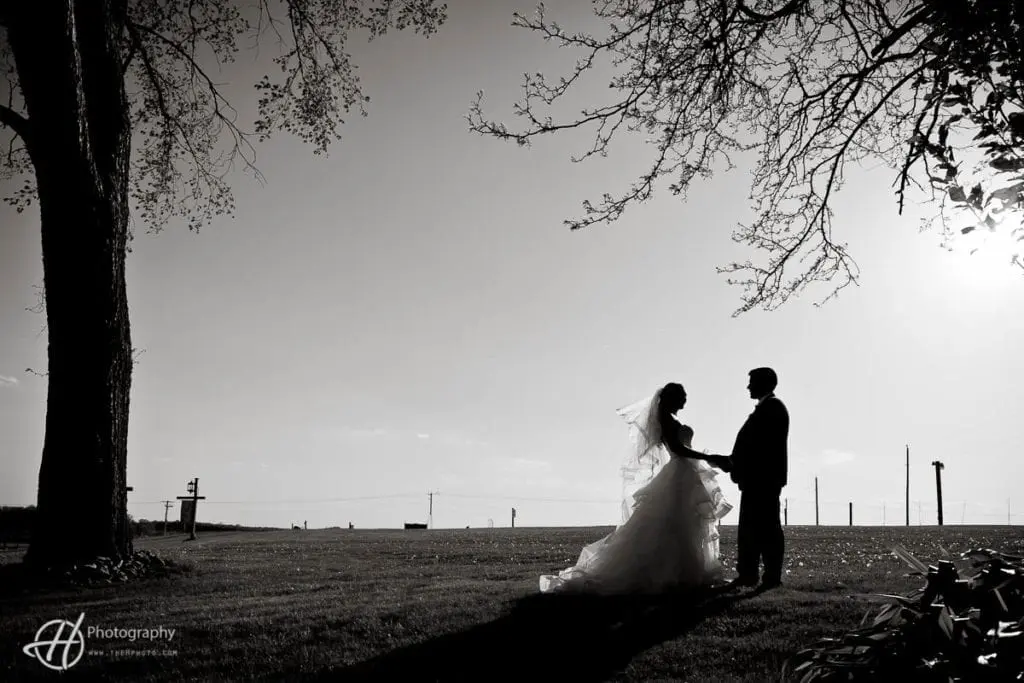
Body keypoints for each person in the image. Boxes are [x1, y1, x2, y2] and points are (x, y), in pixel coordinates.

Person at [539, 383, 733, 595]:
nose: (685, 400)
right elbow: (678, 449)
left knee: (686, 524)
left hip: (686, 472)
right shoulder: (666, 420)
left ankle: (686, 573)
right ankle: (676, 575)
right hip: (679, 473)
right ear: (672, 398)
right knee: (676, 524)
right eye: (682, 396)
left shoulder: (671, 419)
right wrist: (709, 457)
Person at [724, 367, 789, 591]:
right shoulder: (768, 408)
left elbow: (759, 448)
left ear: (763, 383)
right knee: (752, 529)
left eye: (751, 382)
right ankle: (749, 574)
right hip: (757, 480)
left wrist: (735, 463)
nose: (748, 386)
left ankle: (768, 575)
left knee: (766, 528)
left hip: (763, 480)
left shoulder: (772, 408)